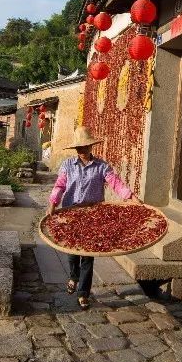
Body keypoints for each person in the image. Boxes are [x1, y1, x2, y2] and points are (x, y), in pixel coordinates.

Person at [47, 127, 135, 310]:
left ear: (91, 147)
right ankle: (73, 276)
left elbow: (116, 183)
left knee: (87, 256)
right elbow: (60, 185)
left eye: (85, 146)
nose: (82, 150)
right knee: (72, 251)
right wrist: (53, 204)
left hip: (93, 214)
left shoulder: (102, 166)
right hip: (71, 213)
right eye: (79, 147)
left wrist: (131, 198)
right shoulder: (67, 165)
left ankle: (83, 294)